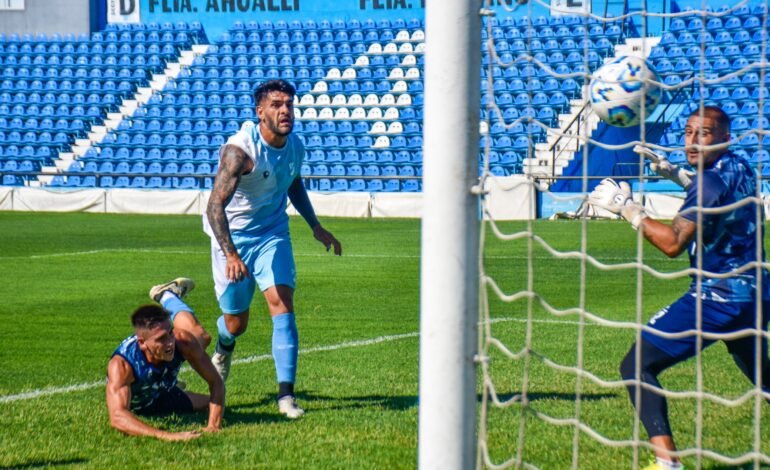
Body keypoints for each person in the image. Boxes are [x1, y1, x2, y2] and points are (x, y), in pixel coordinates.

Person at [588, 106, 770, 470]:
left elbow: (672, 244)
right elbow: (719, 200)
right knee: (763, 377)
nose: (691, 141)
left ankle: (667, 462)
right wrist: (677, 176)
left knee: (636, 366)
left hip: (716, 299)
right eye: (688, 132)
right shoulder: (741, 166)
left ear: (723, 137)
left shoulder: (707, 184)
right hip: (756, 295)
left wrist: (629, 210)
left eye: (703, 133)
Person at [204, 79, 342, 419]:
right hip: (232, 237)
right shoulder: (240, 152)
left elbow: (292, 182)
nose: (285, 111)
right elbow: (214, 207)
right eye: (277, 105)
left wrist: (316, 226)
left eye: (289, 105)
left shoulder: (295, 146)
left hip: (273, 232)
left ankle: (286, 397)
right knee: (236, 322)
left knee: (282, 302)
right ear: (260, 111)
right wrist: (232, 254)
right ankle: (224, 346)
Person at [106, 281, 225, 440]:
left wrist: (213, 426)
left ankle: (168, 296)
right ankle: (168, 295)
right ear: (142, 343)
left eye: (170, 333)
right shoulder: (122, 364)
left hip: (163, 393)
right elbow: (118, 417)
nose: (170, 342)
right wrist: (168, 436)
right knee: (200, 339)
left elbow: (216, 382)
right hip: (141, 403)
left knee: (202, 337)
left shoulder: (181, 341)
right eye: (161, 339)